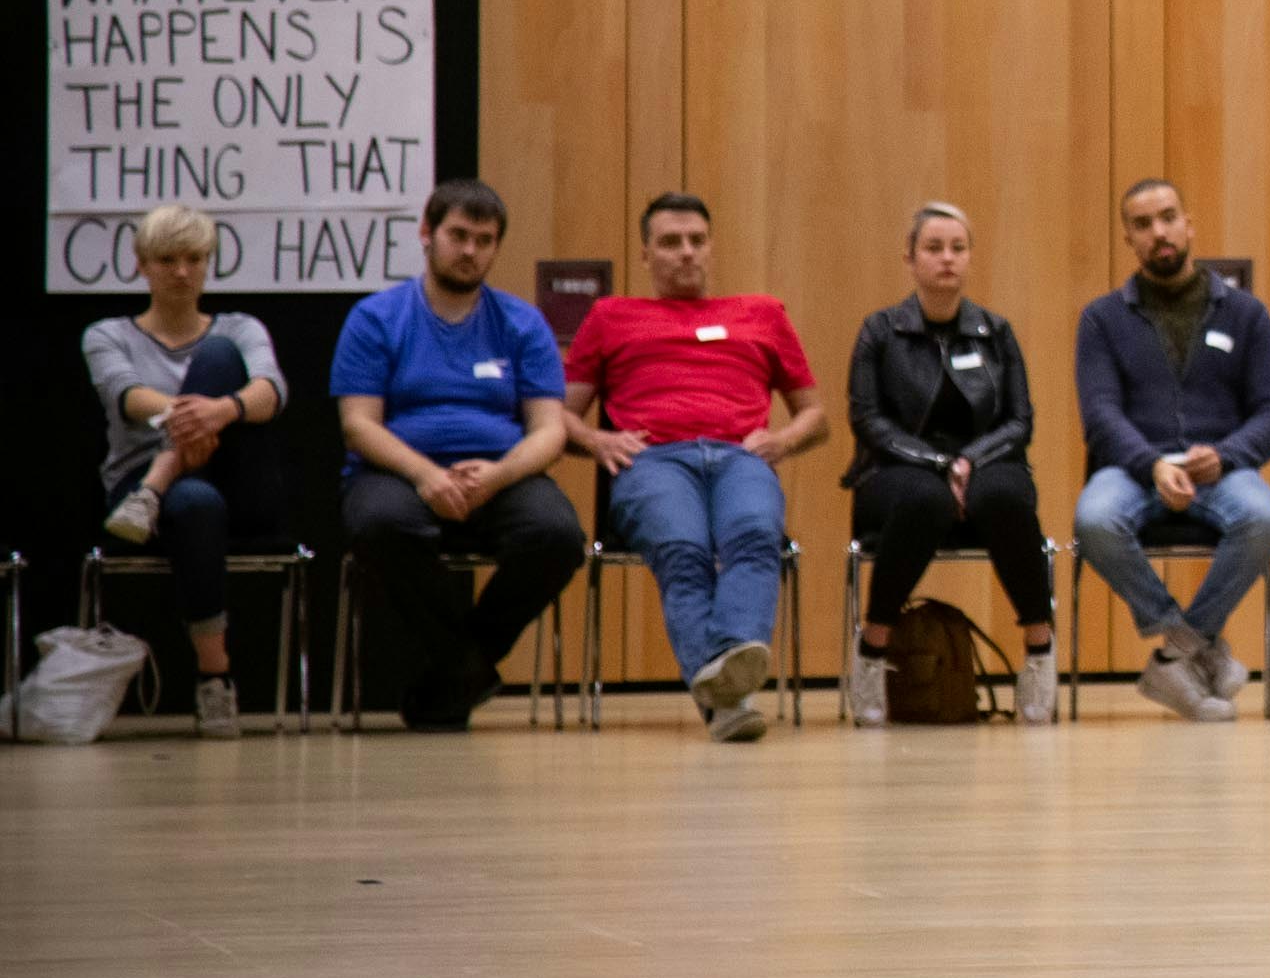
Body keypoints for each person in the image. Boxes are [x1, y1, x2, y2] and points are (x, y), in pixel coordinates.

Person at [560, 192, 825, 743]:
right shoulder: (610, 317)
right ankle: (732, 687)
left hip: (740, 455)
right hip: (653, 459)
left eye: (696, 241)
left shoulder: (762, 313)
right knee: (683, 551)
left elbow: (816, 415)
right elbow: (559, 416)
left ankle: (725, 682)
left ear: (711, 247)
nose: (685, 253)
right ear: (646, 254)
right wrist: (596, 440)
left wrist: (783, 440)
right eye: (670, 242)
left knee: (754, 535)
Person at [333, 180, 583, 731]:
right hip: (398, 470)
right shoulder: (375, 318)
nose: (470, 251)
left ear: (496, 248)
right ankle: (466, 668)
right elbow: (358, 425)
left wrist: (498, 476)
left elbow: (548, 432)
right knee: (378, 524)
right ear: (427, 234)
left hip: (500, 472)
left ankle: (453, 674)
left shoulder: (521, 323)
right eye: (458, 236)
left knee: (558, 535)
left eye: (484, 240)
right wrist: (425, 475)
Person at [1072, 179, 1270, 722]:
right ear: (1127, 237)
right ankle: (1193, 647)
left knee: (1265, 517)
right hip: (1132, 468)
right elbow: (1099, 414)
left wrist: (1228, 455)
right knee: (1094, 518)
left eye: (1168, 217)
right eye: (1142, 225)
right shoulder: (1102, 318)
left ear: (1189, 223)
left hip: (1221, 469)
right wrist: (1152, 464)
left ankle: (1175, 657)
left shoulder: (1245, 314)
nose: (1158, 233)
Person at [842, 204, 1058, 727]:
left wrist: (967, 461)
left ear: (969, 258)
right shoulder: (880, 331)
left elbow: (1019, 421)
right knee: (924, 501)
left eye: (957, 249)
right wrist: (941, 463)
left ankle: (1040, 649)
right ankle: (874, 647)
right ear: (911, 259)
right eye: (934, 249)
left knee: (1006, 497)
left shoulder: (995, 332)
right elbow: (869, 420)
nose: (947, 260)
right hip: (896, 468)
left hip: (987, 461)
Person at [80, 204, 291, 738]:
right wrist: (194, 418)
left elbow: (271, 391)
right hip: (144, 488)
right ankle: (214, 679)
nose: (181, 272)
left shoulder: (241, 327)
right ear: (141, 265)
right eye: (167, 259)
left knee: (219, 354)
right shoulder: (108, 334)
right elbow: (126, 395)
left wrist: (221, 412)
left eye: (194, 258)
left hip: (238, 480)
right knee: (196, 501)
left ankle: (159, 482)